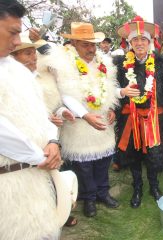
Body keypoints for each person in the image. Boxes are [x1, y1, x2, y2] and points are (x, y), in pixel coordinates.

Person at [0, 0, 65, 238]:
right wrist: (41, 156)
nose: (18, 41)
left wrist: (52, 140)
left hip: (36, 178)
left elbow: (40, 113)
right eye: (13, 33)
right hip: (7, 187)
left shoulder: (18, 70)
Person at [113, 16, 163, 208]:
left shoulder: (162, 64)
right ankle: (137, 187)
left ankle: (153, 186)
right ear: (129, 42)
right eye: (135, 40)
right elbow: (110, 88)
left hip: (154, 120)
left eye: (143, 40)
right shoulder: (121, 65)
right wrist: (121, 91)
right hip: (129, 119)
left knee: (154, 155)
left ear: (149, 42)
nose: (139, 43)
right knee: (133, 155)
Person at [48, 22, 120, 217]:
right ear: (73, 43)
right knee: (85, 166)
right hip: (79, 125)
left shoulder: (103, 61)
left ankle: (103, 193)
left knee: (104, 160)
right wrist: (85, 115)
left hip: (102, 123)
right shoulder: (64, 63)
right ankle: (89, 198)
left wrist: (112, 107)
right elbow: (65, 94)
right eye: (85, 44)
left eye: (93, 44)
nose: (91, 49)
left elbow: (110, 87)